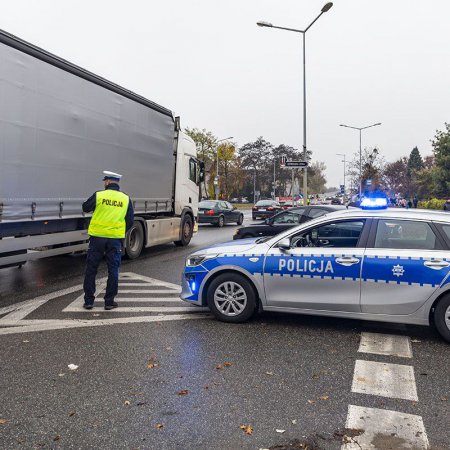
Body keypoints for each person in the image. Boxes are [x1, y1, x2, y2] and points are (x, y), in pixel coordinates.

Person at [82, 171, 134, 310]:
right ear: (117, 183)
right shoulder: (125, 198)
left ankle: (89, 301)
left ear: (107, 182)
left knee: (91, 269)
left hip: (97, 238)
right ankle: (109, 302)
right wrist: (118, 231)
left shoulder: (99, 195)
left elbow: (85, 208)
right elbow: (130, 221)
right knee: (113, 270)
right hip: (115, 239)